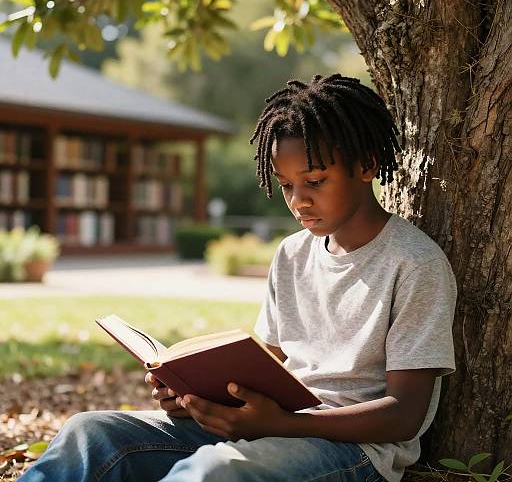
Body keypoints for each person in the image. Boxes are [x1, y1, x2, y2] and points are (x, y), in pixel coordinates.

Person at [20, 74, 457, 482]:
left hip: (353, 452)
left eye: (315, 181)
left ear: (366, 166)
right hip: (269, 429)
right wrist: (194, 399)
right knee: (90, 431)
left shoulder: (414, 264)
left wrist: (281, 424)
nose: (298, 201)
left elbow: (405, 415)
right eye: (286, 185)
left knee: (215, 471)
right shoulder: (291, 254)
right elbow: (264, 366)